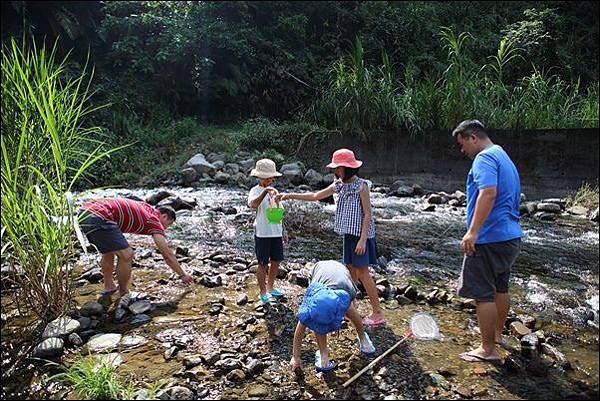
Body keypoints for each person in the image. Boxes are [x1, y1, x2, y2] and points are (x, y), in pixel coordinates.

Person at [277, 148, 385, 327]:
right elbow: (315, 196)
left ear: (347, 168)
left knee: (363, 273)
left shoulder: (362, 186)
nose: (336, 171)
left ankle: (378, 313)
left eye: (338, 168)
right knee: (351, 272)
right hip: (349, 235)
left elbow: (368, 215)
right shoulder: (339, 185)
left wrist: (363, 239)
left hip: (360, 236)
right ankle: (351, 309)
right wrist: (289, 195)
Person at [452, 120, 523, 363]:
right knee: (500, 287)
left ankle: (487, 349)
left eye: (463, 145)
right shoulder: (502, 154)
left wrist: (472, 232)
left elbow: (488, 192)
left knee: (483, 294)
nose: (463, 151)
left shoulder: (484, 158)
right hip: (510, 237)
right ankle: (497, 335)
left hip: (489, 239)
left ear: (473, 137)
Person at [78, 198, 193, 296]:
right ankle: (124, 292)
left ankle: (109, 286)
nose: (166, 228)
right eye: (169, 224)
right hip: (101, 215)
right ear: (164, 216)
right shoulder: (154, 221)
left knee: (109, 250)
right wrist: (182, 275)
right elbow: (167, 254)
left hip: (85, 212)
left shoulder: (145, 207)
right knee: (127, 254)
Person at [290, 260, 376, 373]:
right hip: (318, 273)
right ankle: (323, 354)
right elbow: (299, 332)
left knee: (353, 314)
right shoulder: (310, 308)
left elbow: (355, 315)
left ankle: (363, 339)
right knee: (320, 318)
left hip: (341, 273)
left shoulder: (346, 296)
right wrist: (295, 357)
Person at [247, 159, 287, 303]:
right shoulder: (255, 190)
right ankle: (263, 292)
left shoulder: (274, 191)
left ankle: (270, 287)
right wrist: (264, 192)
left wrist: (284, 231)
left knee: (276, 261)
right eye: (268, 177)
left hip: (276, 232)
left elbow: (278, 212)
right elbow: (253, 205)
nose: (270, 180)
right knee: (262, 263)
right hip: (263, 233)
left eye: (271, 177)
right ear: (260, 177)